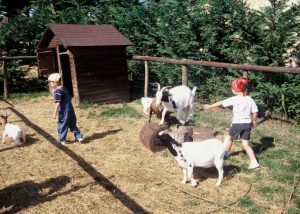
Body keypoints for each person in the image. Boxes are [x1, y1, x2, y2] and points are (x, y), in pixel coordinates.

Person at [203, 77, 260, 170]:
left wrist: (209, 106)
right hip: (247, 124)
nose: (232, 90)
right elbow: (255, 111)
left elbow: (221, 102)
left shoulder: (235, 99)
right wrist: (254, 121)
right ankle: (254, 163)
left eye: (233, 88)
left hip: (237, 124)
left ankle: (225, 154)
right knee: (246, 144)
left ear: (237, 90)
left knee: (230, 138)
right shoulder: (249, 99)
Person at [48, 73, 84, 145]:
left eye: (50, 82)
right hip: (70, 109)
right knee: (72, 123)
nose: (49, 84)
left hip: (64, 111)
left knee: (62, 124)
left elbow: (57, 103)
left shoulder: (57, 92)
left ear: (56, 82)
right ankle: (79, 136)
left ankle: (62, 139)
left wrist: (55, 113)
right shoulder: (64, 88)